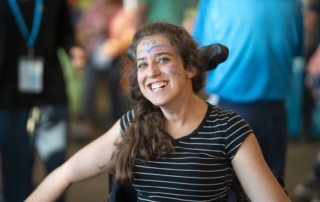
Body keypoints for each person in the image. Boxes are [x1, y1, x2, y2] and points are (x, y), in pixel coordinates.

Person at [25, 22, 290, 202]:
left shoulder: (227, 128)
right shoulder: (134, 124)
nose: (151, 72)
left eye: (163, 59)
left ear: (190, 68)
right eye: (142, 64)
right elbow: (64, 174)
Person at [192, 0, 304, 179]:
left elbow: (198, 51)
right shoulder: (294, 2)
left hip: (230, 111)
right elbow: (296, 49)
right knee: (274, 184)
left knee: (227, 187)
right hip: (276, 110)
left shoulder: (214, 2)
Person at [0, 0, 85, 202]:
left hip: (51, 95)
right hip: (9, 98)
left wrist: (75, 50)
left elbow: (66, 32)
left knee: (57, 173)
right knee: (15, 175)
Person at [74, 0, 136, 137]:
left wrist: (115, 45)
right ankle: (87, 120)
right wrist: (92, 33)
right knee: (88, 85)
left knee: (115, 84)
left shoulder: (123, 12)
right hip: (92, 57)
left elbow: (130, 36)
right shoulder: (92, 9)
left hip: (114, 59)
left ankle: (116, 121)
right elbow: (79, 33)